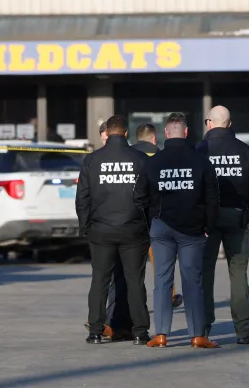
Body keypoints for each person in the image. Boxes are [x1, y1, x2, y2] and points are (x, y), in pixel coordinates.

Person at [137, 112, 220, 349]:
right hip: (193, 230)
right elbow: (213, 198)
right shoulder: (200, 161)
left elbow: (139, 197)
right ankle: (197, 335)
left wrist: (151, 221)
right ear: (185, 133)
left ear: (165, 134)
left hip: (161, 227)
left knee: (162, 281)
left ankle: (161, 334)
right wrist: (209, 227)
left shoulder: (153, 162)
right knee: (192, 281)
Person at [76, 115, 152, 345]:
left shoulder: (92, 160)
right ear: (126, 133)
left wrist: (85, 225)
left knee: (99, 280)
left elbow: (83, 198)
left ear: (107, 133)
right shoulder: (140, 159)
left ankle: (96, 331)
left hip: (101, 229)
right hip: (133, 230)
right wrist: (147, 225)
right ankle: (140, 332)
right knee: (135, 281)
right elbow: (150, 196)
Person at [196, 105, 249, 344]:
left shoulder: (200, 151)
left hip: (207, 222)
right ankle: (243, 331)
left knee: (204, 274)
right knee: (238, 275)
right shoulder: (245, 151)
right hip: (237, 218)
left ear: (209, 124)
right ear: (230, 124)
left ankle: (202, 329)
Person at [131, 122, 185, 309]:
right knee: (162, 266)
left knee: (132, 268)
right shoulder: (162, 156)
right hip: (156, 218)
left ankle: (133, 304)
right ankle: (169, 296)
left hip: (132, 218)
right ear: (154, 138)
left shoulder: (129, 156)